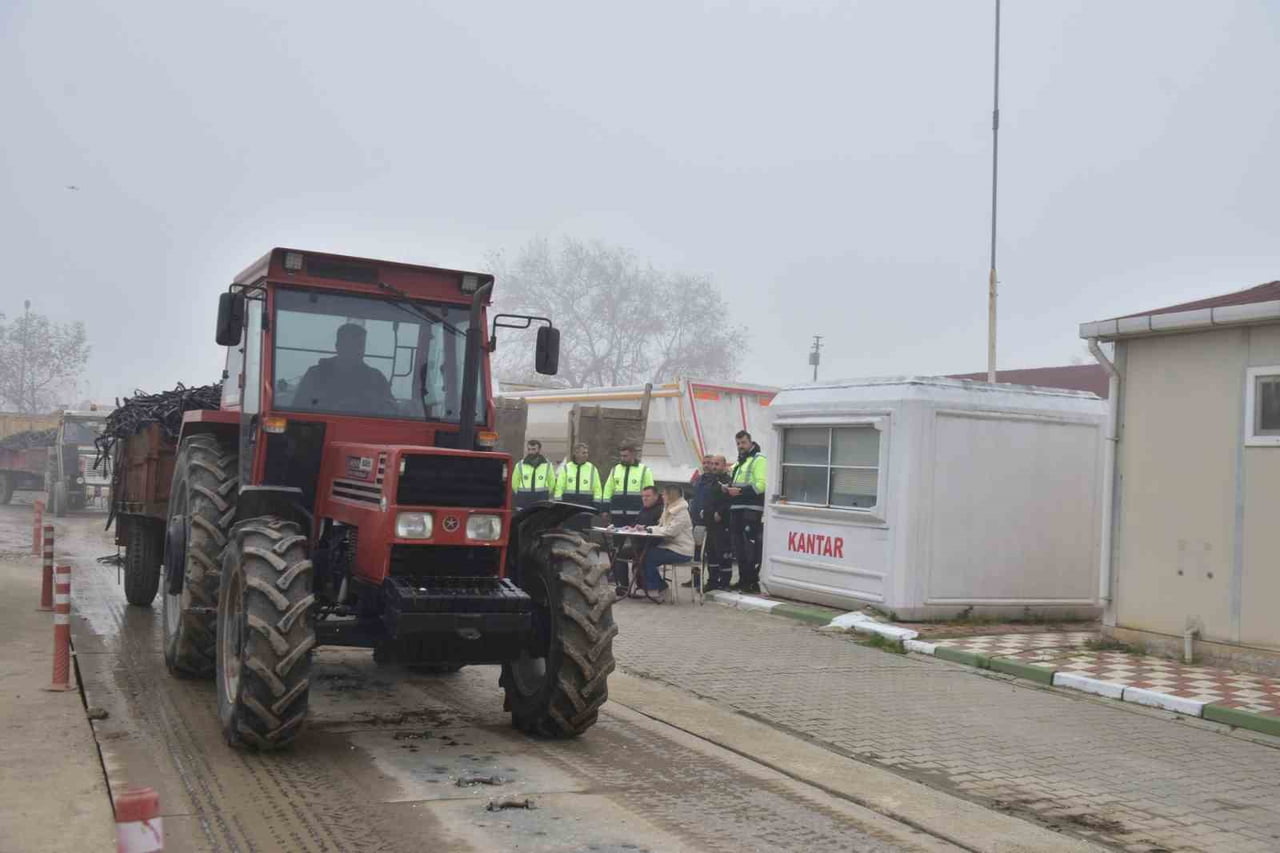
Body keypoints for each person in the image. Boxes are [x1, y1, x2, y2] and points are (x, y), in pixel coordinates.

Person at [292, 323, 395, 414]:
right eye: (350, 345)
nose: (356, 351)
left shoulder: (376, 378)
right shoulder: (315, 374)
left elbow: (392, 409)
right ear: (338, 346)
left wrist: (371, 404)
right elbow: (298, 408)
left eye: (360, 346)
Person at [726, 430, 766, 593]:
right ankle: (743, 580)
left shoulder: (759, 459)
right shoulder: (740, 462)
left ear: (750, 442)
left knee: (750, 548)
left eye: (743, 442)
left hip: (751, 510)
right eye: (738, 443)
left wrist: (740, 492)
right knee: (739, 548)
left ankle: (751, 582)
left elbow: (761, 485)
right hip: (737, 509)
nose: (740, 446)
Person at [638, 484, 694, 602]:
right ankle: (659, 588)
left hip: (682, 550)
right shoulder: (668, 509)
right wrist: (646, 528)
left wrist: (650, 529)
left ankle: (656, 589)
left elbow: (671, 531)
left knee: (648, 557)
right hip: (670, 547)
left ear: (671, 495)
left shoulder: (681, 512)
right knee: (643, 554)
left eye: (664, 494)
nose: (662, 496)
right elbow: (661, 526)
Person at [613, 485, 664, 597]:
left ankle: (655, 586)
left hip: (652, 544)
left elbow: (660, 528)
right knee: (619, 554)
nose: (644, 499)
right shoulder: (644, 509)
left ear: (656, 496)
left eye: (648, 496)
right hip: (639, 543)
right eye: (643, 496)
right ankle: (624, 586)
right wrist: (628, 528)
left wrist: (643, 528)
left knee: (639, 557)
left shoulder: (661, 510)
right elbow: (636, 523)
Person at [703, 454, 734, 591]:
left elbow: (729, 500)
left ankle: (725, 582)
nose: (714, 467)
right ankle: (712, 581)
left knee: (723, 553)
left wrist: (720, 513)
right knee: (711, 553)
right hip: (710, 522)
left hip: (723, 523)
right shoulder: (711, 480)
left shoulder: (727, 481)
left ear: (724, 465)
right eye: (713, 464)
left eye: (717, 464)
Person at [602, 444, 655, 527]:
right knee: (617, 539)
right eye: (621, 456)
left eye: (625, 456)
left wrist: (649, 511)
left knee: (636, 539)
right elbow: (608, 490)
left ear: (633, 455)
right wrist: (605, 509)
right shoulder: (615, 469)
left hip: (637, 514)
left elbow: (650, 493)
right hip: (617, 513)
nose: (622, 458)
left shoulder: (644, 470)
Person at [553, 442, 603, 508]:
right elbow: (559, 486)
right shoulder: (566, 468)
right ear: (576, 453)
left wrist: (597, 503)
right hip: (568, 503)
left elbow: (597, 488)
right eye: (584, 453)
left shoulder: (592, 469)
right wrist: (558, 501)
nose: (586, 455)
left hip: (586, 503)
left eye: (587, 453)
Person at [512, 439, 553, 509]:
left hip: (541, 497)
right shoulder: (520, 465)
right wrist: (519, 493)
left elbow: (551, 481)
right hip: (523, 498)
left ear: (539, 450)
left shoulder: (547, 465)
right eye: (529, 449)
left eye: (533, 449)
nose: (531, 452)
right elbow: (514, 482)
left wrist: (546, 493)